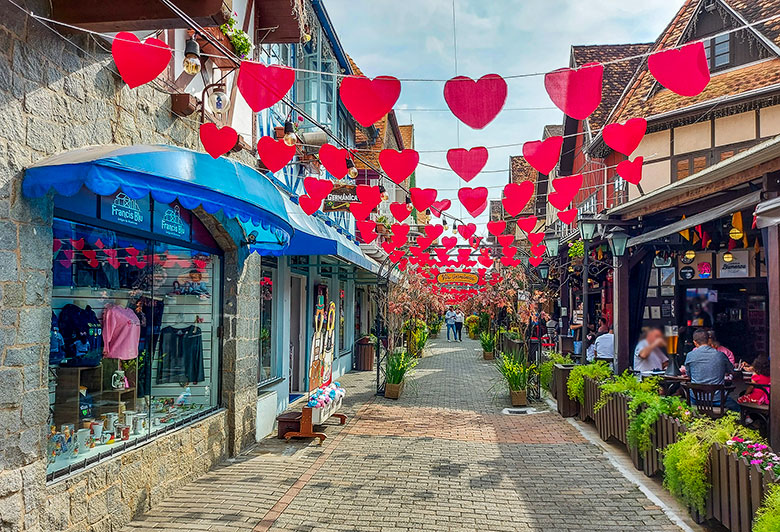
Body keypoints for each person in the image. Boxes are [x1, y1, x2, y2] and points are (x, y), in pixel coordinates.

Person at [684, 329, 738, 410]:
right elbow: (731, 370)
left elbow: (688, 374)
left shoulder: (690, 355)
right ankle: (746, 420)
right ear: (708, 340)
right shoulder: (721, 355)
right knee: (738, 408)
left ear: (695, 342)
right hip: (717, 399)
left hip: (696, 399)